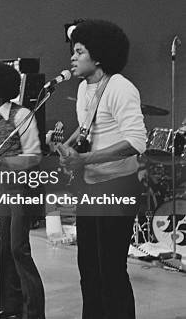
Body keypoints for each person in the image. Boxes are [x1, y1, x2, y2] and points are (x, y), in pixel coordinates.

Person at [59, 20, 146, 319]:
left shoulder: (121, 87)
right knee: (89, 269)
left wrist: (84, 160)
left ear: (98, 56)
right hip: (91, 188)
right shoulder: (85, 88)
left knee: (111, 269)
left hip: (118, 186)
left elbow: (136, 142)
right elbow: (86, 128)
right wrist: (66, 145)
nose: (72, 57)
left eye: (79, 51)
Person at [0, 62, 45, 319]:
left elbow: (34, 156)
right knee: (2, 245)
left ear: (3, 92)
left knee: (18, 248)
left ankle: (34, 313)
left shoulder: (22, 115)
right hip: (3, 185)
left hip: (24, 186)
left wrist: (3, 163)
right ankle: (9, 308)